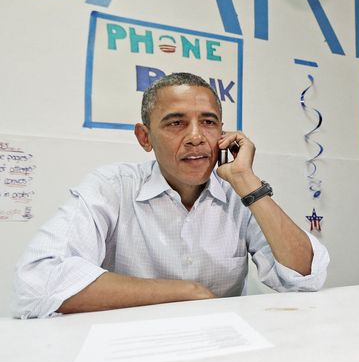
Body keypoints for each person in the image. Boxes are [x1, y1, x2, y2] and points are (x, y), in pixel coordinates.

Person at [12, 73, 329, 318]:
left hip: (223, 350)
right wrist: (186, 292)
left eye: (208, 122)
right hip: (130, 352)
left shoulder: (241, 195)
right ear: (144, 137)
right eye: (176, 123)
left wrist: (248, 182)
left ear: (222, 133)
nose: (195, 137)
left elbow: (305, 278)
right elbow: (36, 281)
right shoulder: (111, 187)